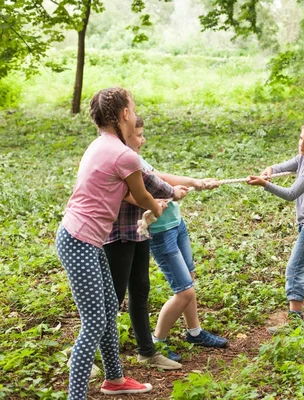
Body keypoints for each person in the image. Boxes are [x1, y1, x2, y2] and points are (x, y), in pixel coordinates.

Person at [55, 87, 163, 398]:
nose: (135, 109)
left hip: (82, 238)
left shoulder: (102, 144)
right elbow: (142, 195)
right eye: (133, 106)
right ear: (125, 114)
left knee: (106, 308)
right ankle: (76, 395)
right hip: (80, 241)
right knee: (94, 321)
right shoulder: (124, 153)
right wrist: (156, 207)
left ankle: (115, 379)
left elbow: (146, 185)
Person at [104, 116, 191, 371]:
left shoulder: (132, 157)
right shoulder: (119, 155)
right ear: (124, 129)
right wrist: (168, 195)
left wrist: (162, 197)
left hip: (139, 231)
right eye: (138, 134)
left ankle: (147, 351)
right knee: (114, 298)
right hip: (118, 235)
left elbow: (149, 184)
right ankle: (86, 352)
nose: (142, 139)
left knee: (140, 291)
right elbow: (141, 191)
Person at [143, 130, 228, 359]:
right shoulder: (125, 161)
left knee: (188, 280)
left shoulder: (137, 158)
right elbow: (146, 192)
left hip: (176, 225)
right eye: (138, 134)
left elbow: (159, 177)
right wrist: (173, 192)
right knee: (184, 291)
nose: (143, 139)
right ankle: (157, 341)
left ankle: (194, 332)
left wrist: (194, 183)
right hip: (161, 234)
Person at [247, 120, 304, 319]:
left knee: (295, 268)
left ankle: (295, 317)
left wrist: (265, 184)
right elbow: (284, 166)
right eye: (301, 138)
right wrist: (271, 169)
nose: (301, 144)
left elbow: (291, 193)